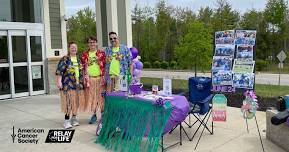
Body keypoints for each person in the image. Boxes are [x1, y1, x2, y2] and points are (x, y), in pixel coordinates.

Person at [56, 41, 85, 129]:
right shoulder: (65, 59)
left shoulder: (78, 59)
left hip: (77, 85)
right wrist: (59, 81)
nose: (74, 49)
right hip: (68, 84)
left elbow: (81, 71)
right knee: (68, 102)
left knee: (76, 102)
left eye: (75, 47)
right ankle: (66, 121)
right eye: (72, 47)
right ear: (69, 48)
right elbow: (59, 71)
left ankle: (74, 119)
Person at [81, 36, 106, 124]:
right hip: (90, 80)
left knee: (101, 98)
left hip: (100, 78)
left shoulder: (101, 54)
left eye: (94, 42)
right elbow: (82, 68)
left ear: (96, 43)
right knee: (92, 98)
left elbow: (105, 66)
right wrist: (84, 79)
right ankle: (94, 115)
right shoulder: (85, 55)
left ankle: (103, 115)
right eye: (90, 42)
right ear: (88, 44)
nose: (92, 44)